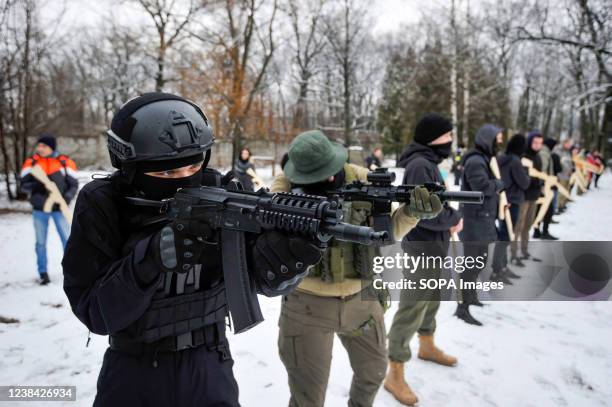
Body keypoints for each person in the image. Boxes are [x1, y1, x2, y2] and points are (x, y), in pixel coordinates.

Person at [62, 93, 323, 407]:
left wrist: (284, 266)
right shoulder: (104, 204)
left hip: (210, 365)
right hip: (134, 370)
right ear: (129, 168)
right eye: (166, 173)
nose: (185, 180)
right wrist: (149, 259)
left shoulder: (226, 194)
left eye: (194, 166)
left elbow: (256, 280)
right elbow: (96, 313)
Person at [271, 130, 442, 407]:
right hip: (307, 307)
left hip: (361, 299)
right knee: (307, 396)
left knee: (373, 373)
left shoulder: (362, 179)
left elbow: (388, 232)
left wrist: (412, 212)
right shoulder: (284, 188)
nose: (328, 179)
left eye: (330, 171)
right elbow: (268, 233)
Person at [385, 113, 461, 406]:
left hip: (436, 245)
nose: (451, 141)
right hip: (422, 247)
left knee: (431, 299)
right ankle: (395, 370)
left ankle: (427, 345)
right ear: (433, 138)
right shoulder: (419, 165)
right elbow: (422, 213)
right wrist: (454, 219)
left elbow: (436, 202)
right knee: (412, 307)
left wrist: (450, 217)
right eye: (447, 136)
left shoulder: (429, 163)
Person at [456, 124, 504, 326]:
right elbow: (480, 187)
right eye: (498, 138)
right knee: (471, 263)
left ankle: (471, 296)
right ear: (488, 140)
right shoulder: (476, 161)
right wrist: (499, 185)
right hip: (474, 220)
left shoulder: (483, 159)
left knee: (480, 260)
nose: (500, 142)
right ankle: (462, 307)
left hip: (482, 218)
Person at [20, 135, 78, 285]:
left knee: (67, 241)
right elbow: (23, 185)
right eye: (39, 146)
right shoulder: (31, 162)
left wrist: (66, 198)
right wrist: (36, 187)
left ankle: (72, 270)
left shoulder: (65, 162)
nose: (40, 149)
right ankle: (43, 273)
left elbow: (73, 185)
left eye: (43, 146)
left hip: (59, 209)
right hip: (40, 209)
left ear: (51, 147)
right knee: (40, 242)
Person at [493, 134, 530, 273]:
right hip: (513, 200)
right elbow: (524, 183)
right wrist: (527, 173)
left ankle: (501, 265)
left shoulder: (501, 158)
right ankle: (499, 267)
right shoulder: (515, 161)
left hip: (502, 198)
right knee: (506, 235)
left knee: (503, 234)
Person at [513, 131, 544, 263]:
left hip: (534, 195)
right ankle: (513, 253)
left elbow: (539, 175)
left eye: (540, 143)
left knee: (528, 224)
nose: (538, 145)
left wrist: (540, 184)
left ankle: (524, 250)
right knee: (519, 225)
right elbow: (524, 177)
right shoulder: (524, 156)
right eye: (535, 142)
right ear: (530, 141)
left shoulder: (538, 157)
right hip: (523, 196)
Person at [533, 137, 559, 240]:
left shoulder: (544, 152)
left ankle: (538, 231)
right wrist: (544, 184)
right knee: (548, 209)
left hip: (544, 185)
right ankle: (543, 231)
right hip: (544, 186)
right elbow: (542, 170)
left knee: (541, 209)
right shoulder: (544, 153)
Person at [555, 139, 574, 213]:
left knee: (565, 191)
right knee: (560, 191)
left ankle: (561, 205)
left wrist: (572, 169)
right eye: (568, 144)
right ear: (564, 143)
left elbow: (570, 162)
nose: (569, 146)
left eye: (570, 144)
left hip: (567, 175)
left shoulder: (568, 152)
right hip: (561, 175)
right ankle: (557, 206)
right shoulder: (558, 151)